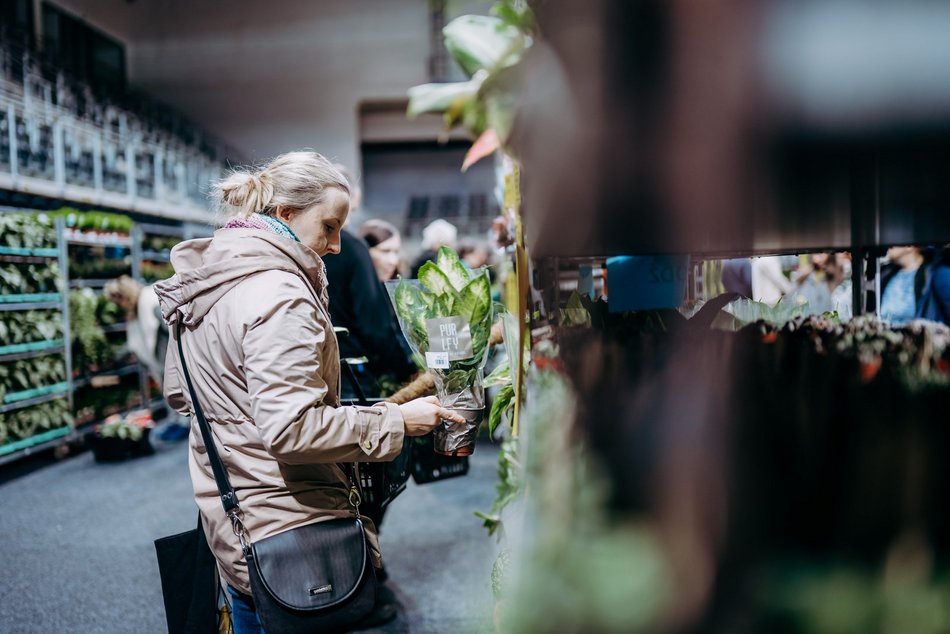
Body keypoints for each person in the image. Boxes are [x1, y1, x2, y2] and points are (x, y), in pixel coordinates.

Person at [154, 151, 465, 634]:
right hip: (289, 527)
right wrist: (396, 420)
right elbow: (291, 428)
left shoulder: (204, 285)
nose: (338, 245)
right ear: (284, 215)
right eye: (329, 226)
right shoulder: (279, 295)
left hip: (234, 522)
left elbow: (183, 397)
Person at [103, 275, 188, 441]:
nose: (119, 306)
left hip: (170, 357)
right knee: (170, 391)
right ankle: (177, 422)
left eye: (118, 301)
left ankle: (185, 424)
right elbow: (135, 342)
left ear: (124, 296)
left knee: (179, 389)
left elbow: (171, 330)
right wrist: (115, 357)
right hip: (161, 361)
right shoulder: (136, 310)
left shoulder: (151, 301)